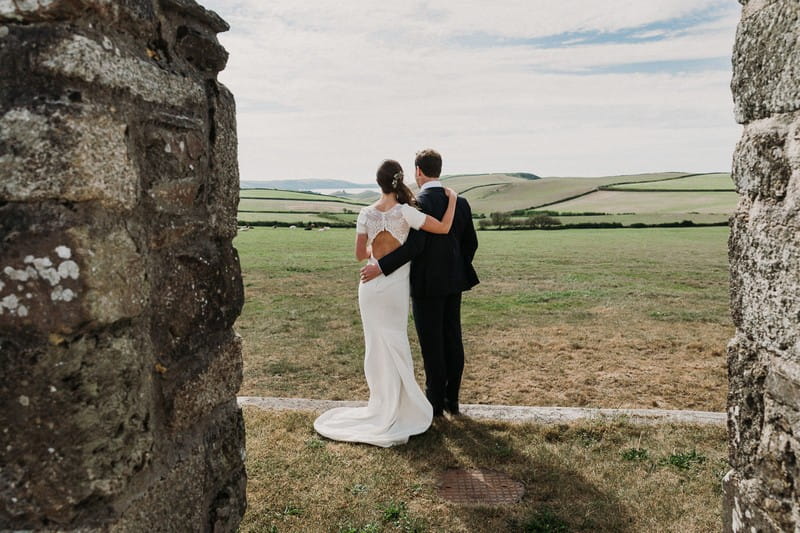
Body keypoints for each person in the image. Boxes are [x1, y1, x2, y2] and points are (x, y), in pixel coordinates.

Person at [313, 159, 458, 447]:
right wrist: (452, 199)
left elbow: (359, 255)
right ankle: (401, 405)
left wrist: (375, 250)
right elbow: (443, 228)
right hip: (393, 288)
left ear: (378, 182)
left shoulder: (365, 213)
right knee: (396, 341)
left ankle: (381, 403)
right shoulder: (406, 213)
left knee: (375, 345)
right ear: (400, 180)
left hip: (368, 287)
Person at [360, 149, 478, 417]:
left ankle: (434, 404)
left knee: (432, 343)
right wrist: (456, 267)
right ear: (439, 169)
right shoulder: (461, 203)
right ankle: (453, 401)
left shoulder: (417, 203)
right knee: (453, 339)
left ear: (418, 171)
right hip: (454, 282)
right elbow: (471, 243)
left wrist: (381, 266)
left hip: (426, 284)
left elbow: (414, 247)